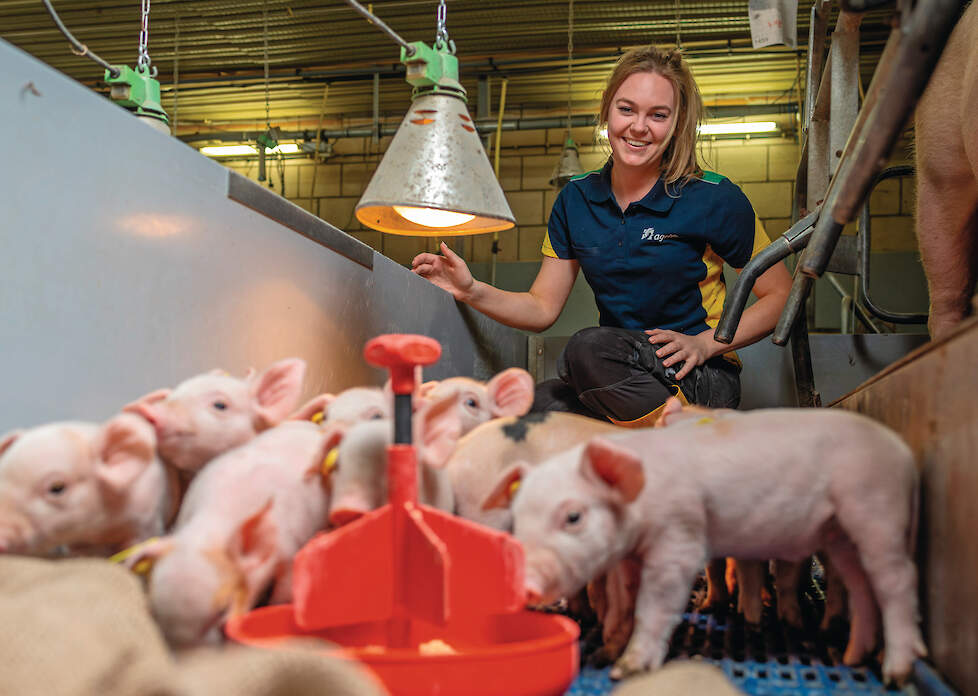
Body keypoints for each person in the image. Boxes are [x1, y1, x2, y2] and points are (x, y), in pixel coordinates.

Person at [412, 45, 792, 427]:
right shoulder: (576, 200)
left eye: (658, 115)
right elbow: (542, 307)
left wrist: (708, 342)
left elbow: (781, 295)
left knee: (585, 350)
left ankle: (687, 439)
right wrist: (471, 290)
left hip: (701, 375)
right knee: (537, 411)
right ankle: (640, 451)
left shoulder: (714, 197)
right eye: (626, 109)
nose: (639, 127)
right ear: (607, 110)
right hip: (619, 368)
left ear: (676, 123)